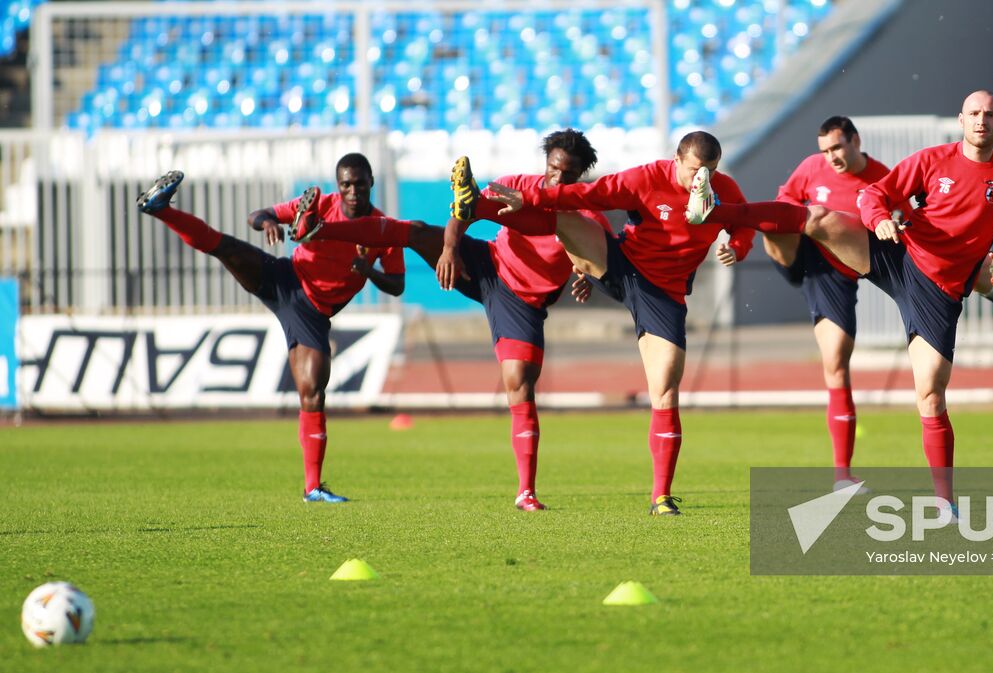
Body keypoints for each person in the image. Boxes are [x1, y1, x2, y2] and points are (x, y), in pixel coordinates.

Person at [686, 90, 993, 515]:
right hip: (897, 252)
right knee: (817, 218)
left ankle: (944, 503)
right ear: (961, 119)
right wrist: (880, 220)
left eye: (991, 114)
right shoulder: (930, 160)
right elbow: (874, 197)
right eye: (975, 113)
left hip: (939, 291)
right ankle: (716, 210)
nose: (982, 120)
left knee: (930, 395)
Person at [291, 130, 609, 511]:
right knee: (417, 232)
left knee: (519, 382)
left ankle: (526, 491)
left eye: (567, 173)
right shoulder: (516, 186)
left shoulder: (587, 216)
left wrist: (585, 277)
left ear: (580, 174)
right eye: (553, 168)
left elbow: (596, 258)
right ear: (546, 162)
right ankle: (321, 229)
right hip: (488, 264)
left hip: (522, 301)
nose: (557, 178)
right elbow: (464, 211)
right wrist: (450, 248)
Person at [480, 131, 756, 516]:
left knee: (665, 391)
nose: (701, 179)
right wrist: (530, 197)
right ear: (676, 159)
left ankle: (661, 496)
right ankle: (475, 207)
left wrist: (737, 247)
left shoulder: (722, 190)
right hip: (621, 265)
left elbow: (745, 223)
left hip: (663, 294)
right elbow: (589, 194)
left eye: (708, 171)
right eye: (694, 170)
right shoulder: (644, 178)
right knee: (562, 218)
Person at [136, 153, 405, 503]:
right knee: (225, 247)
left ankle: (313, 488)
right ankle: (161, 209)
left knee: (313, 391)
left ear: (371, 181)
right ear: (338, 186)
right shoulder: (321, 203)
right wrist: (268, 224)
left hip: (313, 313)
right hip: (286, 278)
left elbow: (396, 284)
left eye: (360, 183)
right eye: (346, 184)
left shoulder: (382, 229)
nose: (353, 191)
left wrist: (366, 270)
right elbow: (256, 216)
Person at [770, 116, 890, 492]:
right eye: (825, 150)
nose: (831, 157)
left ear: (855, 141)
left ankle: (843, 475)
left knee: (836, 362)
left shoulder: (881, 178)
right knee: (774, 224)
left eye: (837, 148)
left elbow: (902, 214)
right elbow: (785, 200)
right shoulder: (811, 168)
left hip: (839, 273)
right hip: (805, 256)